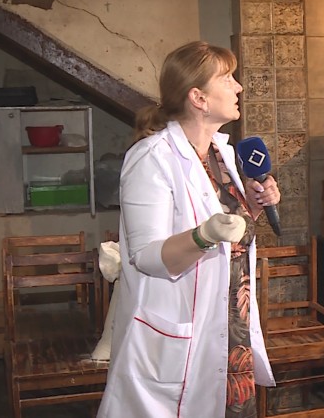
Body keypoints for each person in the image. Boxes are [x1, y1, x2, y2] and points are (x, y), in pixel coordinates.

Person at [97, 41, 281, 418]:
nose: (238, 87)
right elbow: (147, 256)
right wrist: (205, 235)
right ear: (198, 97)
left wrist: (253, 206)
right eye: (227, 79)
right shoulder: (151, 158)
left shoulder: (222, 154)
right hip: (182, 336)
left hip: (230, 329)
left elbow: (231, 235)